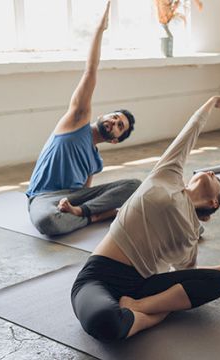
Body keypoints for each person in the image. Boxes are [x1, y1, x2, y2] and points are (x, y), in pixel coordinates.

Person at [71, 95, 220, 342]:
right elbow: (190, 132)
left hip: (144, 287)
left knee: (217, 282)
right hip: (100, 275)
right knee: (103, 322)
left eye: (216, 179)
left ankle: (141, 307)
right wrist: (211, 102)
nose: (210, 172)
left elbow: (191, 275)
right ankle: (148, 313)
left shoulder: (190, 235)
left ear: (214, 203)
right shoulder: (168, 175)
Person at [25, 1, 139, 236]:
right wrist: (99, 30)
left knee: (134, 185)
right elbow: (91, 70)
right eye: (115, 117)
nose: (114, 123)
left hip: (74, 199)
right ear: (102, 115)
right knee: (48, 222)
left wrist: (80, 208)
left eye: (120, 126)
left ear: (116, 140)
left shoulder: (95, 162)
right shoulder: (76, 122)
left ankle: (84, 214)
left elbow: (85, 192)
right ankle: (95, 217)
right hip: (44, 198)